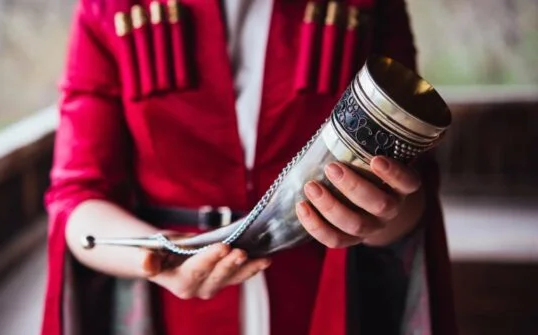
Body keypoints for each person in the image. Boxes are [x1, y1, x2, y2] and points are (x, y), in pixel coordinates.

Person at [42, 0, 457, 334]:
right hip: (175, 306)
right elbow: (76, 199)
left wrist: (381, 213)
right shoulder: (107, 8)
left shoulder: (367, 7)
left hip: (321, 289)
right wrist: (158, 254)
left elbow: (413, 181)